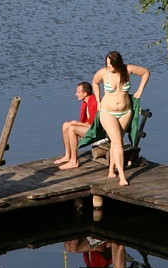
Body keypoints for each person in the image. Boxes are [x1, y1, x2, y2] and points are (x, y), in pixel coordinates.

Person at [92, 51, 150, 186]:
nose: (109, 66)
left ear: (117, 63)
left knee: (115, 141)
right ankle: (122, 177)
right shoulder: (103, 73)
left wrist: (140, 90)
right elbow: (95, 83)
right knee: (119, 143)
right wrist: (98, 101)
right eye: (107, 63)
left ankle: (111, 169)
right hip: (108, 112)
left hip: (125, 112)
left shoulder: (127, 70)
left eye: (111, 64)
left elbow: (146, 73)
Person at [54, 82, 98, 170]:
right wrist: (77, 123)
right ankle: (67, 155)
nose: (76, 94)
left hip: (97, 132)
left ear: (85, 94)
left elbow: (92, 126)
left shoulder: (94, 102)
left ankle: (74, 161)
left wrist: (77, 123)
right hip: (90, 128)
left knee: (72, 129)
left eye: (78, 92)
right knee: (65, 125)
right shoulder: (85, 102)